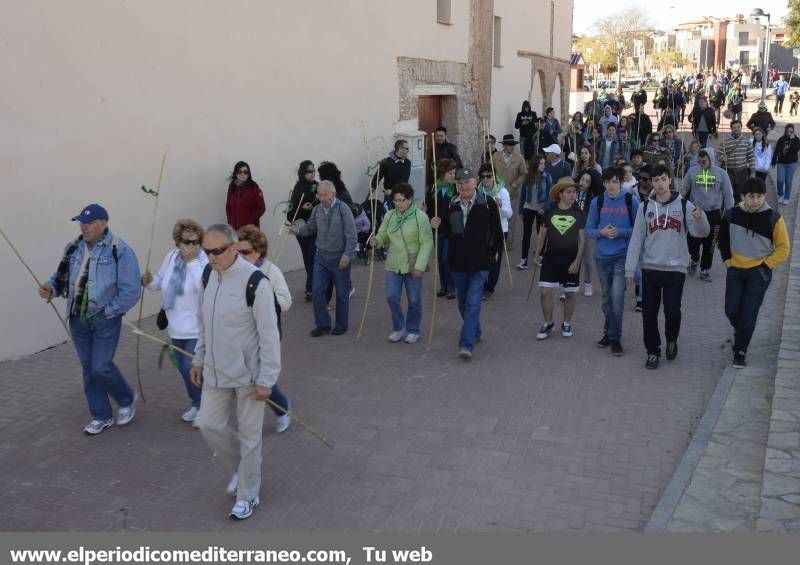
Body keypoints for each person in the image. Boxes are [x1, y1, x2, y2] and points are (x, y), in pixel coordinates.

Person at [190, 224, 282, 520]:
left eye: (216, 251)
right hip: (215, 372)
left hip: (249, 377)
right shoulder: (208, 275)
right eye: (206, 252)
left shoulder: (256, 282)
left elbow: (269, 335)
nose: (210, 257)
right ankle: (244, 468)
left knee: (250, 436)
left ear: (232, 247)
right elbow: (203, 322)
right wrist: (198, 358)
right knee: (207, 424)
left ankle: (248, 493)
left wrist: (267, 380)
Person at [40, 204, 141, 435]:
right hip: (77, 317)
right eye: (81, 222)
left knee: (101, 366)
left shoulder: (120, 250)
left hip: (105, 317)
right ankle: (101, 416)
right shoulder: (74, 247)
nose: (84, 227)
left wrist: (110, 311)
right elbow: (61, 276)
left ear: (104, 223)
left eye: (90, 222)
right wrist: (50, 288)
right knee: (88, 368)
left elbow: (131, 290)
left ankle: (126, 398)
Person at [625, 165, 710, 370]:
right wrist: (630, 269)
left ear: (670, 180)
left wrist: (701, 218)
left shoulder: (684, 205)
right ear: (651, 182)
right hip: (651, 268)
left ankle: (672, 339)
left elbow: (702, 233)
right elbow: (636, 239)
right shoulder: (645, 207)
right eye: (655, 180)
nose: (660, 184)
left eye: (663, 179)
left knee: (672, 311)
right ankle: (652, 351)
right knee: (649, 314)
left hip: (675, 269)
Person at [429, 168, 502, 359]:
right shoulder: (451, 204)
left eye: (467, 182)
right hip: (458, 262)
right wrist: (436, 224)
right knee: (462, 303)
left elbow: (497, 232)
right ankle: (475, 331)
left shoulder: (487, 203)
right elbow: (445, 230)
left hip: (480, 263)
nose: (463, 186)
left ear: (475, 182)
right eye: (460, 183)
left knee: (473, 303)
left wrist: (494, 256)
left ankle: (466, 344)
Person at [141, 219, 208, 424]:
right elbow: (160, 282)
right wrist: (149, 281)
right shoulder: (171, 257)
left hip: (197, 328)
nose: (192, 247)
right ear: (177, 243)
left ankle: (204, 407)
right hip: (176, 326)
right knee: (182, 368)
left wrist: (192, 262)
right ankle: (197, 403)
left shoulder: (203, 261)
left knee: (190, 366)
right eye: (187, 242)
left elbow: (203, 288)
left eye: (196, 242)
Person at [719, 177, 790, 368]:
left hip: (759, 273)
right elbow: (722, 239)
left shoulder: (774, 218)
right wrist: (727, 261)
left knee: (749, 313)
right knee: (731, 309)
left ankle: (740, 351)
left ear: (764, 196)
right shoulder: (731, 214)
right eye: (751, 196)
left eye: (759, 196)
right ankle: (741, 331)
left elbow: (783, 248)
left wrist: (766, 266)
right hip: (735, 269)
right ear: (743, 196)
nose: (755, 200)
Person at [235, 225, 293, 433]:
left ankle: (282, 407)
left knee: (261, 377)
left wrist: (266, 299)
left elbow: (286, 301)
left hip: (266, 333)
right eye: (238, 252)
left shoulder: (270, 271)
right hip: (242, 334)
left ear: (259, 250)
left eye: (246, 252)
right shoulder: (235, 272)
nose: (241, 257)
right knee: (244, 375)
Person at [290, 180, 357, 336]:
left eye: (324, 195)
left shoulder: (343, 209)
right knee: (317, 290)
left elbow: (352, 235)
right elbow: (311, 228)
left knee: (341, 293)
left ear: (333, 194)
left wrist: (347, 255)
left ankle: (341, 325)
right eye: (319, 195)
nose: (321, 198)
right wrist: (297, 230)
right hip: (321, 257)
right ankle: (323, 324)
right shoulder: (317, 209)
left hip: (339, 257)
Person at [369, 183, 433, 344]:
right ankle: (399, 327)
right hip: (393, 263)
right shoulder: (390, 215)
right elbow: (383, 234)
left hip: (413, 264)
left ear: (410, 199)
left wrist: (420, 266)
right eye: (396, 200)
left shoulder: (420, 217)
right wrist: (376, 239)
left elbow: (426, 243)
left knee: (414, 300)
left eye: (402, 200)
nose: (399, 204)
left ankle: (413, 329)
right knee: (391, 297)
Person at [586, 168, 639, 356]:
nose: (611, 185)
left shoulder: (630, 201)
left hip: (621, 256)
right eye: (608, 182)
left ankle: (615, 338)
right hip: (601, 257)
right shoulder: (597, 202)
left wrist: (621, 232)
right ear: (604, 183)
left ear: (621, 182)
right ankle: (609, 332)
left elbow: (639, 230)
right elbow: (588, 229)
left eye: (615, 182)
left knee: (617, 298)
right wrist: (601, 232)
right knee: (607, 299)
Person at [533, 178, 586, 339]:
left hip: (571, 260)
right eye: (569, 192)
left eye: (574, 192)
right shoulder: (550, 212)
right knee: (544, 292)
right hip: (550, 259)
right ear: (560, 194)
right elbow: (542, 235)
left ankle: (567, 323)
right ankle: (548, 323)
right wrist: (537, 255)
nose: (572, 195)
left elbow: (583, 240)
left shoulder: (579, 213)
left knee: (570, 294)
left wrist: (577, 261)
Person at [683, 150, 735, 281]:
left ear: (711, 159)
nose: (701, 164)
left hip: (714, 214)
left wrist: (729, 214)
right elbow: (684, 189)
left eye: (704, 161)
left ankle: (705, 269)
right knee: (692, 241)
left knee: (711, 243)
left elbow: (728, 195)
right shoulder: (692, 172)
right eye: (699, 161)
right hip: (696, 213)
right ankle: (694, 259)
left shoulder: (721, 174)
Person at [477, 164, 512, 299]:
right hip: (482, 230)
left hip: (499, 230)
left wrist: (500, 205)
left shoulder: (502, 192)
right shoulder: (478, 192)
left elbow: (509, 214)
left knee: (494, 260)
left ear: (494, 177)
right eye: (483, 176)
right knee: (481, 258)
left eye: (489, 176)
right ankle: (481, 284)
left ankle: (489, 287)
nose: (486, 179)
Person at [425, 158, 458, 299]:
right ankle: (443, 285)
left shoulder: (456, 189)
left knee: (447, 258)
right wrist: (431, 218)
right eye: (450, 173)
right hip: (438, 229)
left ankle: (451, 286)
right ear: (442, 173)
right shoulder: (434, 188)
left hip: (452, 230)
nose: (453, 175)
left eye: (454, 172)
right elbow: (428, 209)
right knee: (440, 259)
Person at [288, 160, 319, 301]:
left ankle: (311, 288)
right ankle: (311, 285)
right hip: (301, 227)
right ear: (302, 173)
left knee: (312, 255)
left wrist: (317, 202)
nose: (312, 174)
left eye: (314, 171)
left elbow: (324, 205)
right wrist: (302, 208)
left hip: (315, 226)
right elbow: (290, 213)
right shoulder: (297, 188)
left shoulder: (317, 186)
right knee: (307, 256)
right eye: (309, 171)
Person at [518, 155, 552, 270]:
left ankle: (540, 256)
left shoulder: (547, 176)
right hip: (528, 208)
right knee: (526, 235)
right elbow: (522, 195)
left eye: (544, 163)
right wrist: (520, 211)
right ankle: (524, 260)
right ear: (535, 165)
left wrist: (545, 208)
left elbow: (551, 195)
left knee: (541, 234)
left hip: (541, 210)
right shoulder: (528, 177)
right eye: (541, 163)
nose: (543, 165)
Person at [491, 134, 527, 245]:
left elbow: (524, 174)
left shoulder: (519, 158)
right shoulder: (495, 156)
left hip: (512, 193)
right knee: (496, 216)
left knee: (510, 218)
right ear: (504, 146)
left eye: (513, 145)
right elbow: (489, 170)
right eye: (510, 145)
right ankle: (496, 239)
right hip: (497, 192)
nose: (512, 147)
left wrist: (515, 184)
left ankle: (508, 241)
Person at [719, 120, 755, 203]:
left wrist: (753, 172)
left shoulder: (747, 142)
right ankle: (728, 211)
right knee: (728, 192)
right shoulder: (725, 141)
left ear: (741, 128)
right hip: (729, 171)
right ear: (731, 129)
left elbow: (751, 157)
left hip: (742, 171)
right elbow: (719, 155)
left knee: (740, 192)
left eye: (738, 127)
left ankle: (739, 210)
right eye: (734, 127)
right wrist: (722, 157)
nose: (736, 129)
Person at [372, 139, 411, 211]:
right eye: (407, 149)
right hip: (389, 196)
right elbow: (378, 175)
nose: (408, 151)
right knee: (388, 216)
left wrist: (393, 190)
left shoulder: (407, 163)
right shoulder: (386, 162)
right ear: (400, 149)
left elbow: (404, 179)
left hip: (402, 195)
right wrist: (373, 187)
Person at [226, 161, 266, 230]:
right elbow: (228, 206)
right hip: (234, 229)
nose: (242, 174)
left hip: (249, 230)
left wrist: (249, 223)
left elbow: (261, 208)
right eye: (239, 172)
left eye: (245, 172)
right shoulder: (232, 187)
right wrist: (230, 222)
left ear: (249, 174)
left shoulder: (254, 188)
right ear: (235, 173)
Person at [772, 123, 800, 205]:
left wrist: (792, 140)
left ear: (793, 131)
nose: (789, 133)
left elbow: (796, 150)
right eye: (788, 131)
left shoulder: (796, 139)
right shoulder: (781, 139)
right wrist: (774, 159)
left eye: (791, 131)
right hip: (781, 163)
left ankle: (786, 197)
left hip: (792, 164)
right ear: (785, 131)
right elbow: (777, 150)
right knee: (780, 180)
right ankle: (780, 195)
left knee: (788, 181)